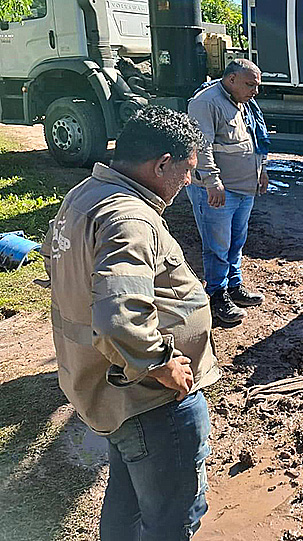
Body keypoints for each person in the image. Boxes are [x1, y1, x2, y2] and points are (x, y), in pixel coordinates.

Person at [42, 106, 221, 540]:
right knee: (175, 517)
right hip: (150, 401)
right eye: (186, 171)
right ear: (162, 164)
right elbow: (119, 315)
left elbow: (53, 257)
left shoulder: (85, 194)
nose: (187, 182)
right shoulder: (131, 218)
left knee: (130, 505)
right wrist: (162, 361)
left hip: (107, 390)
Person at [187, 58, 270, 323]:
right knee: (217, 246)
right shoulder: (206, 102)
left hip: (244, 188)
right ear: (231, 79)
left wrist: (262, 169)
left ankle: (234, 286)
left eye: (256, 86)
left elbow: (255, 138)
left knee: (236, 242)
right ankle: (217, 296)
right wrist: (213, 182)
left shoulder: (245, 103)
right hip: (218, 191)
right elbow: (201, 146)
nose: (255, 91)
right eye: (250, 85)